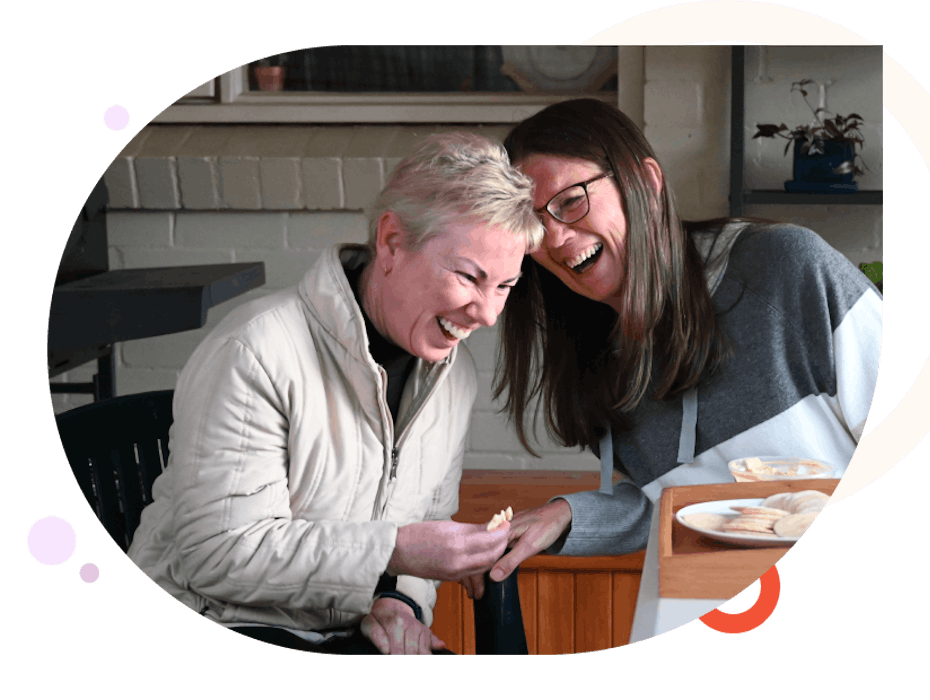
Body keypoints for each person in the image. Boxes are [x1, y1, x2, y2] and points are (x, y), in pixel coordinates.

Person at [127, 132, 543, 654]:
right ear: (392, 242)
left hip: (341, 633)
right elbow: (217, 553)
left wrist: (398, 603)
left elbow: (423, 530)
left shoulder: (452, 376)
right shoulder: (255, 349)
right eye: (468, 277)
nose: (488, 314)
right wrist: (393, 551)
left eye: (505, 286)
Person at [488, 98, 883, 582]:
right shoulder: (596, 353)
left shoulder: (785, 269)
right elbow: (683, 502)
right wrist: (571, 515)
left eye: (570, 201)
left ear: (647, 182)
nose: (553, 239)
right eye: (531, 225)